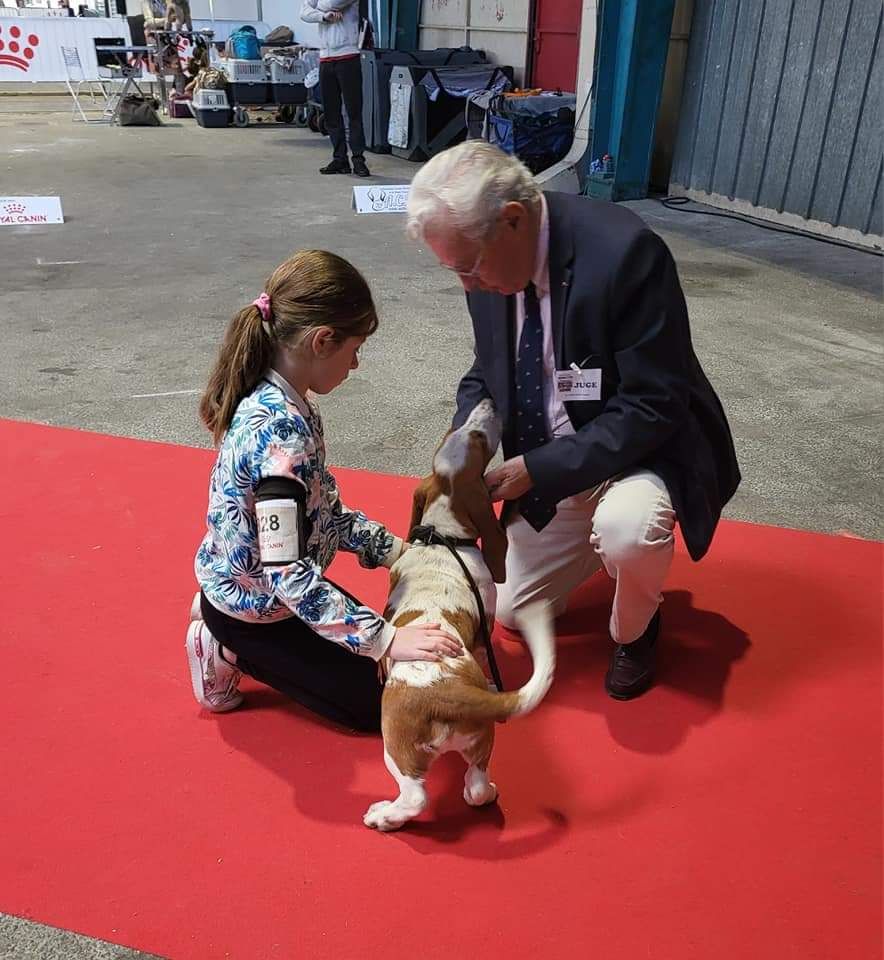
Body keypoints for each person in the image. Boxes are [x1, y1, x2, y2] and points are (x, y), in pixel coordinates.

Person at [406, 142, 741, 701]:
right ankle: (595, 543)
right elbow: (488, 370)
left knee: (627, 532)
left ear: (512, 220)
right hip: (556, 458)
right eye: (452, 270)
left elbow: (655, 404)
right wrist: (466, 439)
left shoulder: (627, 253)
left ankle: (636, 625)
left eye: (467, 267)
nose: (466, 285)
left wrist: (537, 469)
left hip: (642, 450)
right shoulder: (493, 265)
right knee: (514, 610)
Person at [187, 250, 461, 730]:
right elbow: (288, 573)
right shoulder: (280, 439)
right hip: (258, 605)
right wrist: (387, 640)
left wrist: (397, 551)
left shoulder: (292, 406)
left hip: (274, 586)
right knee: (377, 706)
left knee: (383, 672)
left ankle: (223, 617)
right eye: (354, 349)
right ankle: (221, 643)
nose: (355, 364)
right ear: (322, 341)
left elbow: (324, 512)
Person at [299, 0, 370, 178]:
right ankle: (340, 159)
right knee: (331, 112)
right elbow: (303, 12)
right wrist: (323, 15)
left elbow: (335, 2)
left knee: (354, 111)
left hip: (348, 55)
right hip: (325, 58)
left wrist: (320, 7)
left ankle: (358, 159)